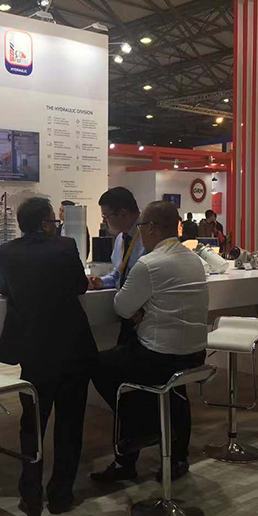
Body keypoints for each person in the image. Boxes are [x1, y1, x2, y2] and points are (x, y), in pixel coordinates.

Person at [90, 201, 208, 482]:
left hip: (159, 355)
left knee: (99, 366)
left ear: (152, 228)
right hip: (194, 354)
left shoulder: (149, 264)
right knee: (175, 393)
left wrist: (140, 309)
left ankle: (137, 435)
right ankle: (176, 458)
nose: (139, 232)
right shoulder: (193, 259)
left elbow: (121, 307)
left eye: (141, 226)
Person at [0, 197, 96, 516]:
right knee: (69, 423)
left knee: (32, 423)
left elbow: (3, 288)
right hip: (73, 346)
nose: (56, 225)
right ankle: (61, 495)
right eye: (54, 220)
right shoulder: (66, 247)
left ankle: (31, 495)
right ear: (45, 224)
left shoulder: (5, 252)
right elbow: (80, 286)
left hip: (34, 350)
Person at [86, 187, 145, 347]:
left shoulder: (148, 236)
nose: (105, 222)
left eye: (106, 216)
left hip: (146, 317)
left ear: (123, 213)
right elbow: (120, 273)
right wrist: (102, 282)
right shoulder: (121, 238)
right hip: (127, 313)